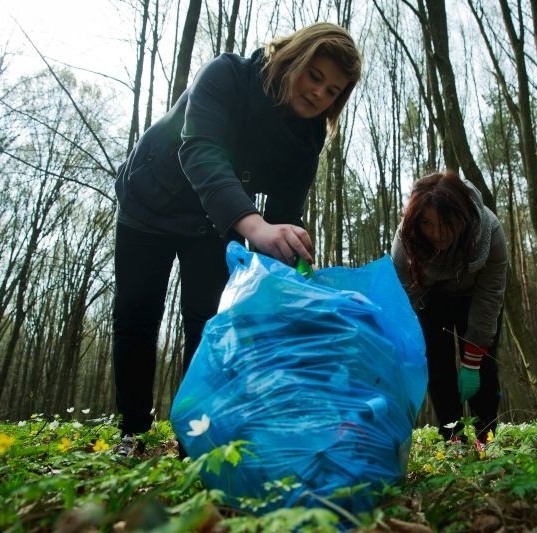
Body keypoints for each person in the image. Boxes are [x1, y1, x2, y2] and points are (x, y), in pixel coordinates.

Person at [111, 23, 362, 456]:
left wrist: (298, 269)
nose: (320, 94)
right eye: (314, 76)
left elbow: (285, 212)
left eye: (333, 91)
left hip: (215, 221)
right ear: (292, 59)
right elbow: (200, 149)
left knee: (206, 322)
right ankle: (133, 430)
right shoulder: (228, 74)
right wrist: (254, 225)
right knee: (137, 314)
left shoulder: (308, 135)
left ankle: (194, 436)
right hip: (151, 200)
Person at [390, 170, 507, 445]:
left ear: (462, 216)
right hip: (430, 298)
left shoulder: (490, 233)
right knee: (437, 366)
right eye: (428, 223)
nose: (437, 233)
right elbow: (404, 295)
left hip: (476, 298)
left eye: (445, 223)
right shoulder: (405, 242)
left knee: (483, 368)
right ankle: (452, 437)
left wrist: (473, 358)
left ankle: (486, 436)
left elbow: (490, 295)